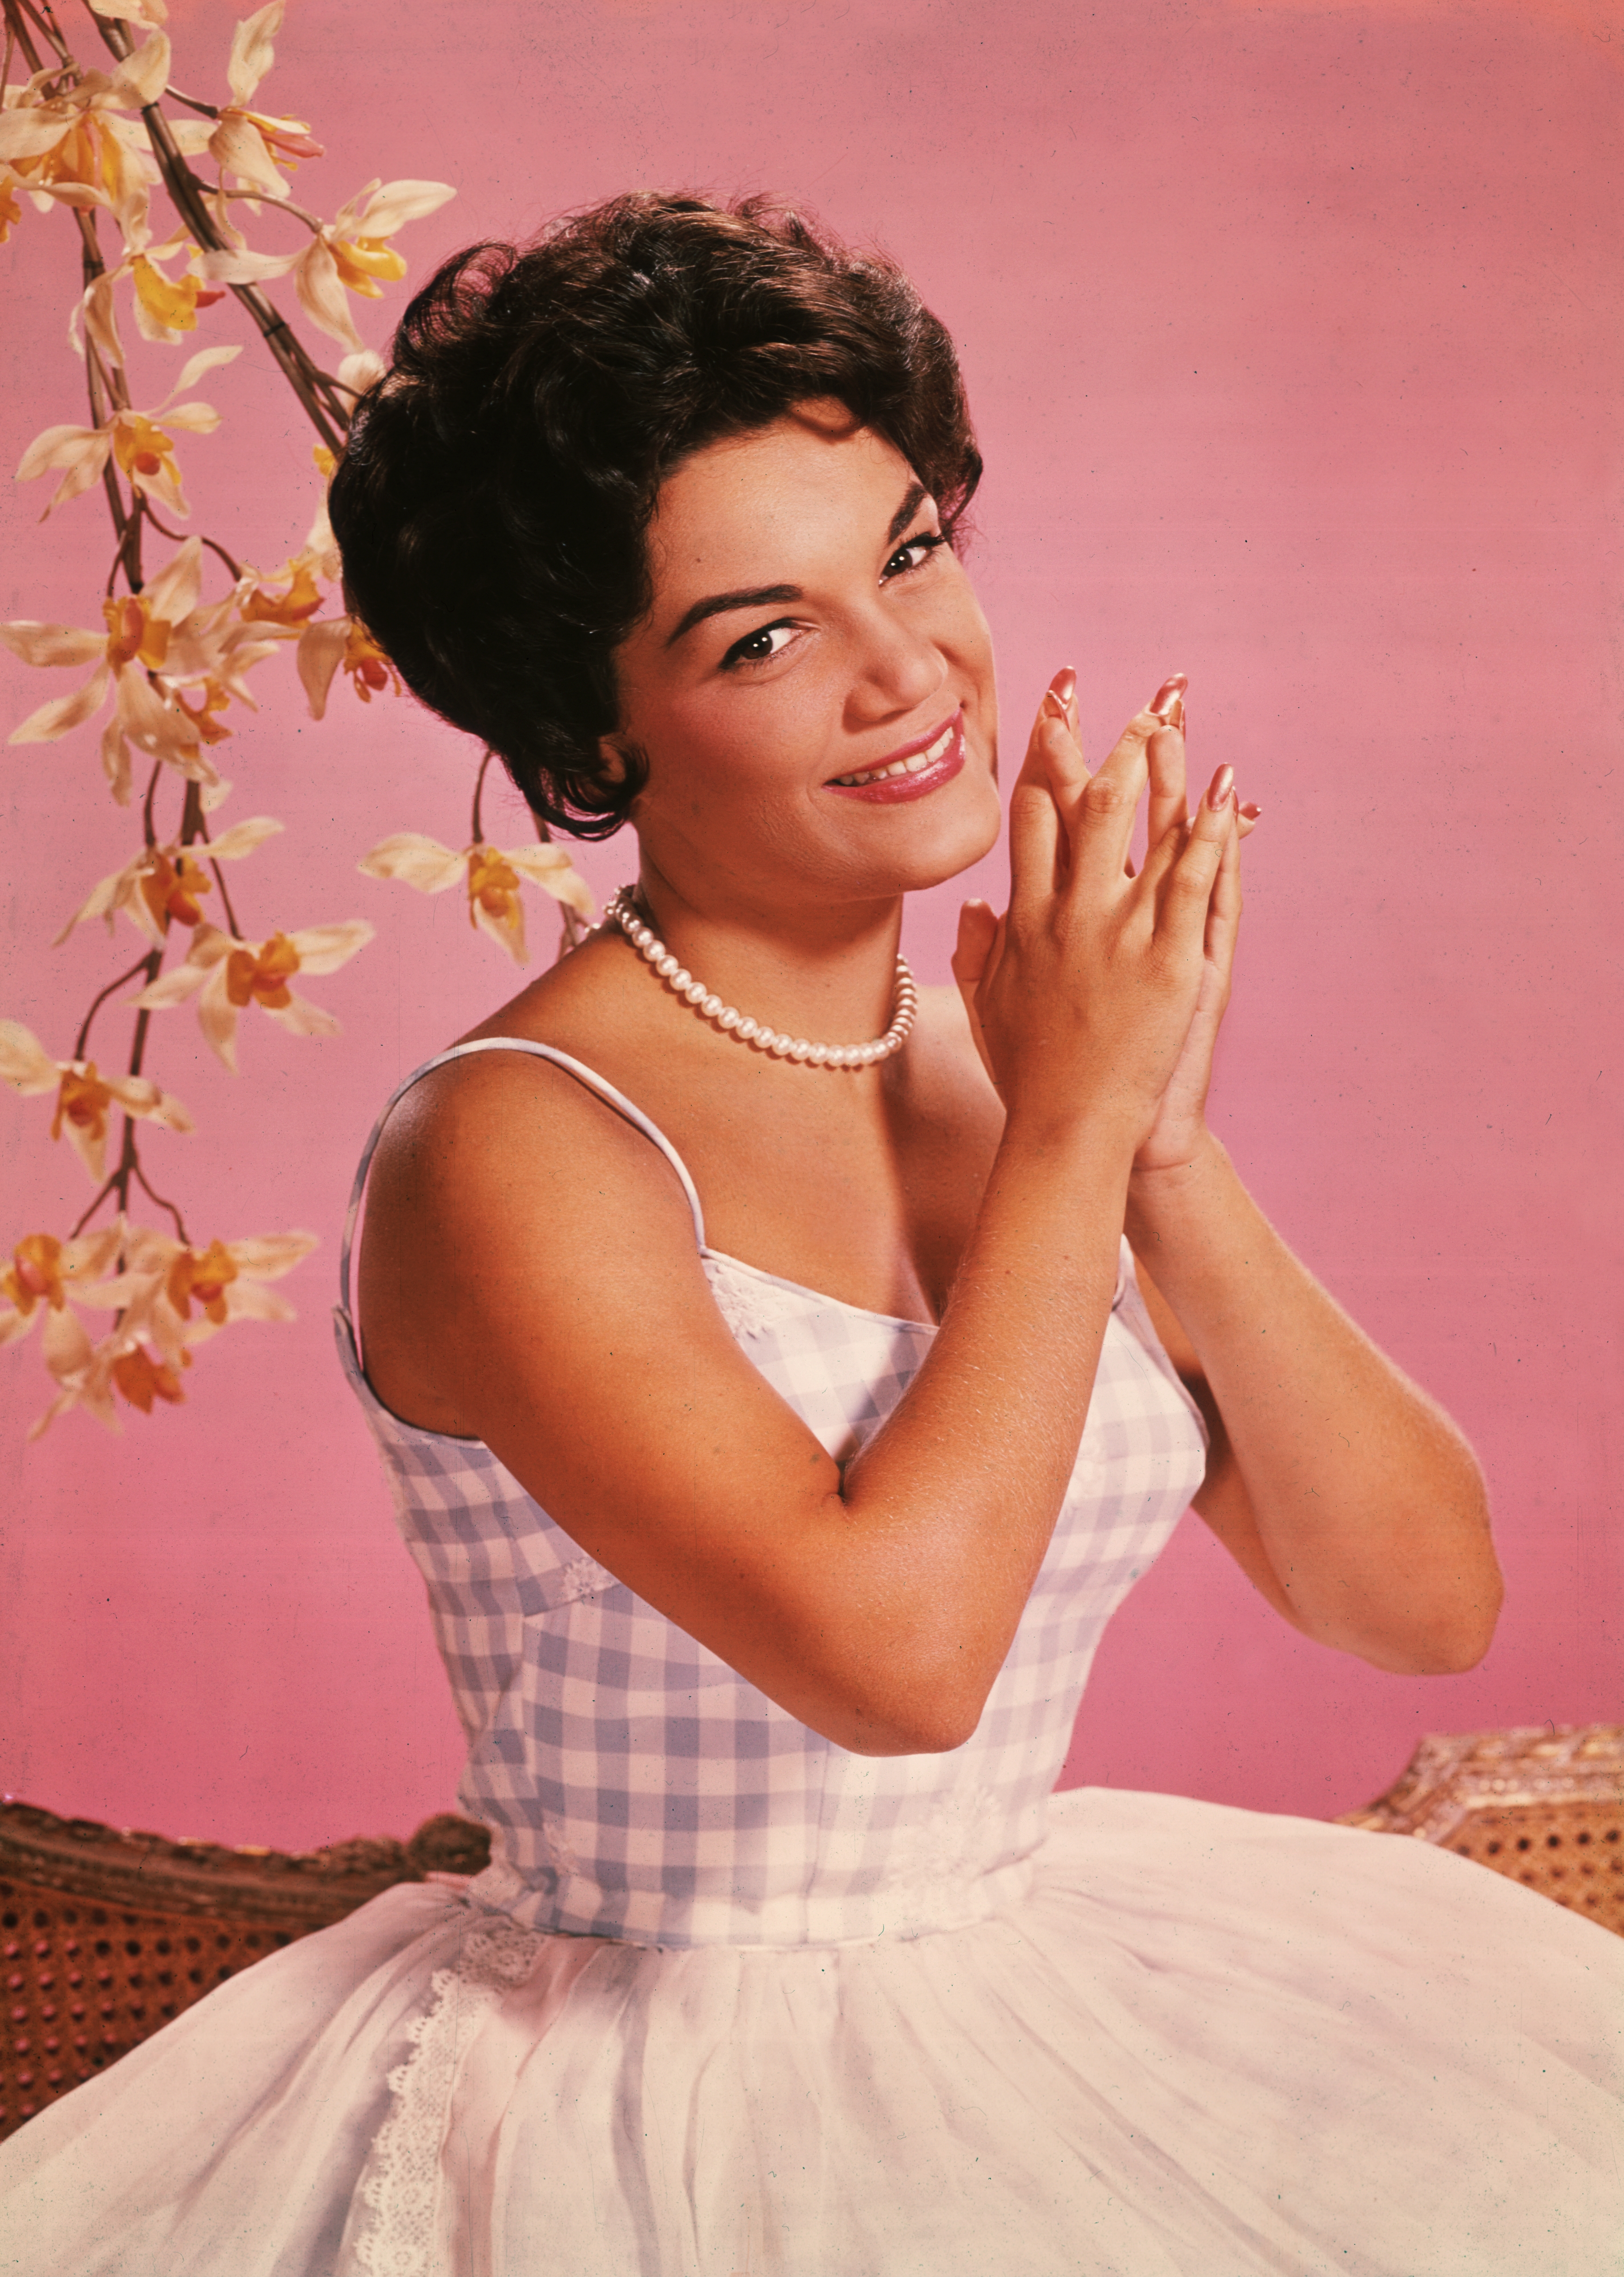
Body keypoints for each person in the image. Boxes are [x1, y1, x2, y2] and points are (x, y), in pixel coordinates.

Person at [0, 190, 1618, 2277]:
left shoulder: (1012, 1069)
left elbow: (1419, 1598)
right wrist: (1072, 1131)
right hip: (644, 2087)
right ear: (598, 735)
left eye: (909, 554)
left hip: (1058, 1981)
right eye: (760, 634)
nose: (901, 673)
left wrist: (1156, 1149)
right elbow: (896, 1657)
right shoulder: (512, 1147)